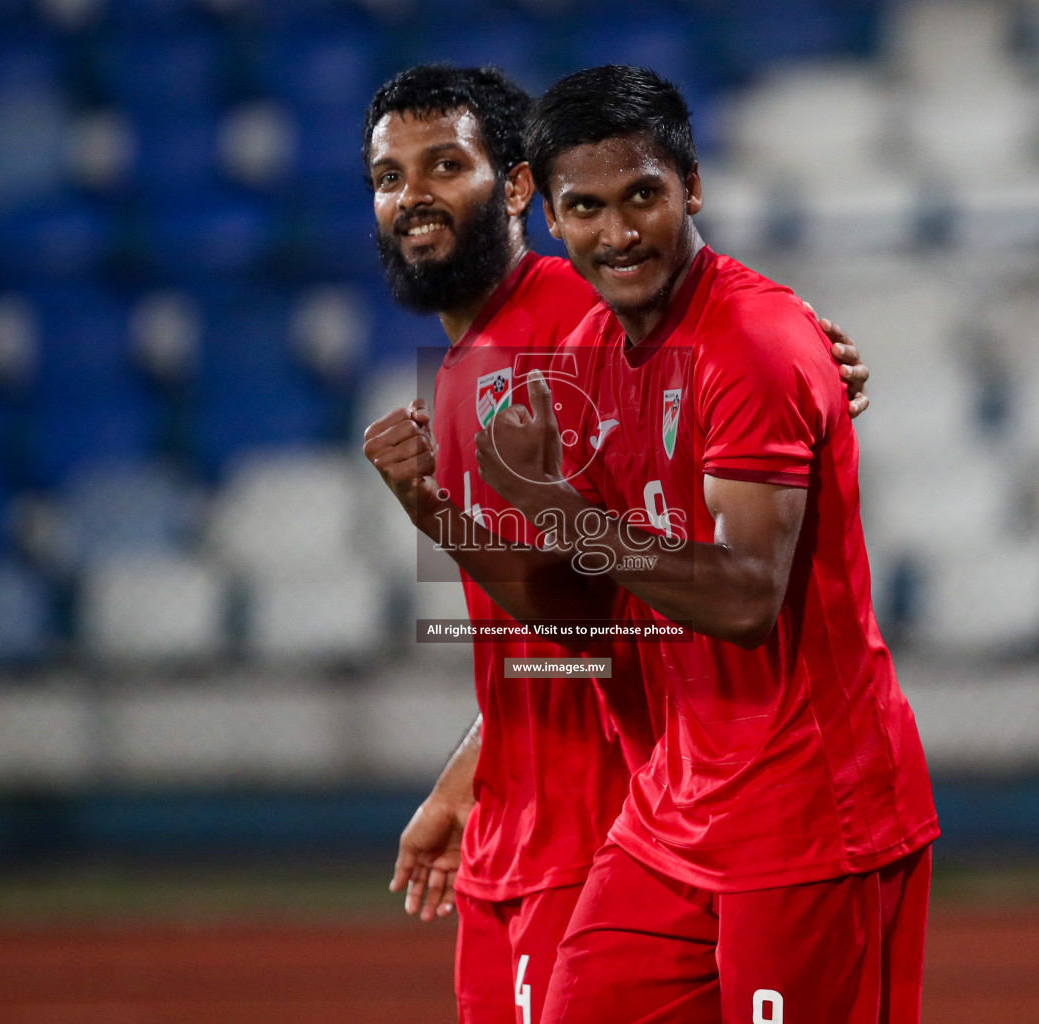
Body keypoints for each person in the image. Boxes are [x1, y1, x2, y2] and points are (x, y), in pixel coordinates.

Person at [360, 65, 872, 1024]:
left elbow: (722, 349)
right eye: (390, 178)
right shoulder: (468, 361)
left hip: (614, 818)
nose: (414, 196)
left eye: (444, 165)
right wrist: (475, 775)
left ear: (518, 190)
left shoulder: (570, 321)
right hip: (534, 820)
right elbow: (553, 622)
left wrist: (807, 347)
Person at [468, 65, 939, 1024]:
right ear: (551, 222)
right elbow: (582, 615)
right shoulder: (593, 358)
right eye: (586, 207)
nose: (620, 231)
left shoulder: (753, 344)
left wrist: (560, 511)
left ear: (693, 186)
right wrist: (442, 510)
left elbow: (743, 598)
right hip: (674, 812)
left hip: (812, 816)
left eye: (643, 194)